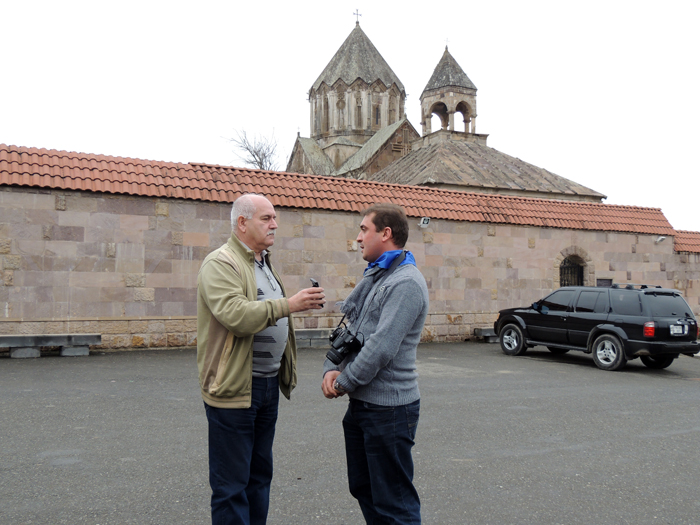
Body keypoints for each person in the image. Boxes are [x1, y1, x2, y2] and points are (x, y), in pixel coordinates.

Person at [197, 193, 325, 525]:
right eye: (266, 218)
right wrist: (290, 305)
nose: (274, 224)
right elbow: (236, 316)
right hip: (235, 389)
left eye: (275, 218)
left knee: (258, 480)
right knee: (231, 487)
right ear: (242, 223)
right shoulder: (221, 263)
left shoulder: (262, 262)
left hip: (267, 387)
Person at [321, 203, 429, 525]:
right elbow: (354, 330)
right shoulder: (379, 276)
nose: (357, 238)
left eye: (363, 230)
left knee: (394, 502)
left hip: (389, 411)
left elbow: (381, 347)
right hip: (364, 407)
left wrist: (344, 381)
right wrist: (331, 365)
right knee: (365, 488)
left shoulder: (405, 283)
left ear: (386, 233)